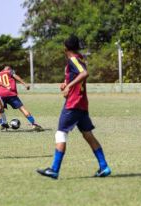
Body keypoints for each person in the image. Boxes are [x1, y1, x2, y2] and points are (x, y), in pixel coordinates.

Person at [37, 35, 111, 179]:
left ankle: (54, 169)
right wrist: (66, 84)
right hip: (81, 103)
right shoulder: (80, 58)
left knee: (60, 134)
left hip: (74, 104)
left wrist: (69, 86)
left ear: (65, 48)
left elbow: (84, 74)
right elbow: (79, 74)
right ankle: (104, 166)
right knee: (88, 135)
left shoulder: (73, 60)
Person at [0, 66, 42, 131]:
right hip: (11, 93)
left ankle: (3, 123)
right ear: (9, 69)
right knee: (22, 109)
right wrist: (25, 84)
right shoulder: (9, 71)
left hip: (1, 94)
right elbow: (16, 76)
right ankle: (34, 124)